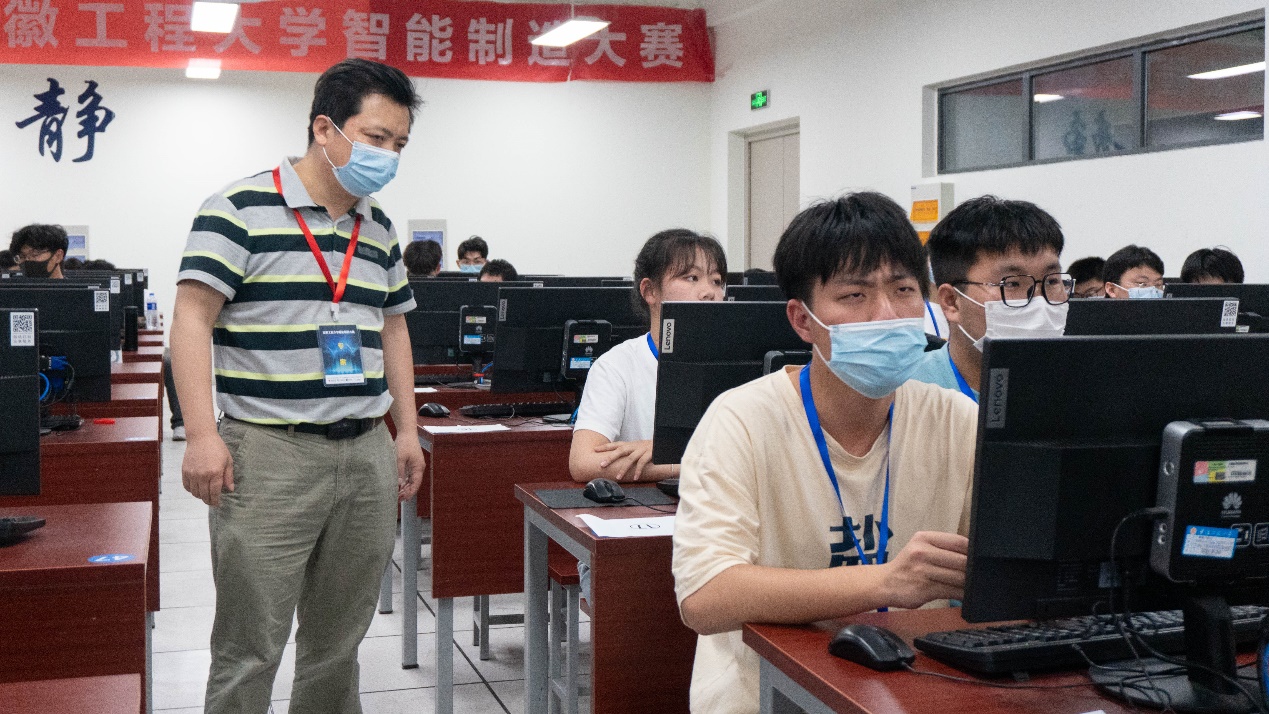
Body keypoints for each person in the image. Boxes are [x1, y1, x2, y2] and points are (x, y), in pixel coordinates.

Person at [170, 58, 425, 714]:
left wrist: (407, 430)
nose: (388, 156)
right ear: (324, 128)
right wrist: (200, 435)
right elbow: (192, 319)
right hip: (268, 452)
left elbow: (393, 328)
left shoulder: (378, 226)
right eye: (375, 138)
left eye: (399, 144)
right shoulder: (238, 209)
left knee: (339, 642)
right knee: (250, 644)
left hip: (365, 451)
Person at [671, 193, 976, 714]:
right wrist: (886, 582)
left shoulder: (955, 419)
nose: (886, 314)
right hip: (765, 695)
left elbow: (1006, 574)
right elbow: (705, 596)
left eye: (903, 290)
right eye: (855, 295)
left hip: (911, 689)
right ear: (802, 320)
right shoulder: (741, 419)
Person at [569, 228, 726, 485]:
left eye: (717, 281)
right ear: (650, 291)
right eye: (692, 278)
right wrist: (679, 463)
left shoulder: (738, 364)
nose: (709, 292)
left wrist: (665, 454)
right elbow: (583, 462)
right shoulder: (616, 366)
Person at [910, 196, 1070, 402]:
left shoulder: (1084, 388)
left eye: (1052, 281)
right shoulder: (905, 392)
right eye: (1012, 284)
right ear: (951, 301)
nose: (1040, 301)